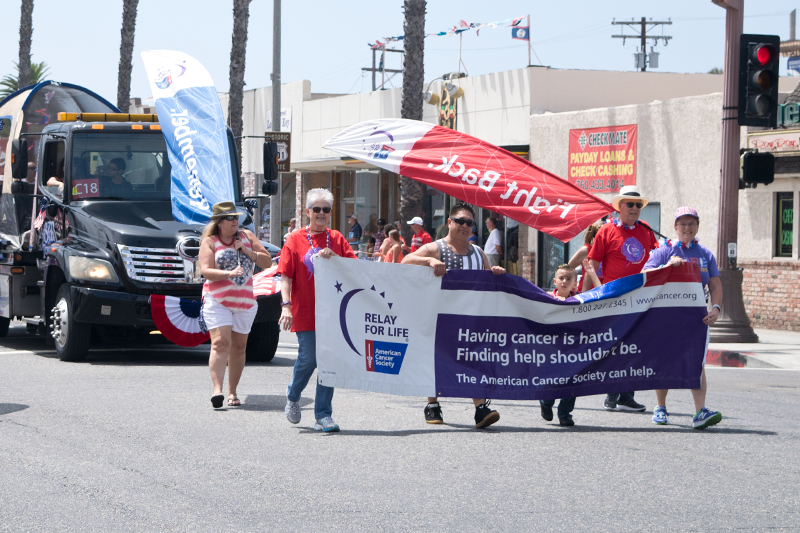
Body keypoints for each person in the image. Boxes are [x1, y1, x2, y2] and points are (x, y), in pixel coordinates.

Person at [402, 203, 505, 429]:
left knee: (473, 359)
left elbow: (487, 277)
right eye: (460, 221)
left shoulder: (478, 252)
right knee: (435, 358)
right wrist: (429, 261)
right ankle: (432, 404)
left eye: (469, 222)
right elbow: (405, 261)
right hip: (438, 316)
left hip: (470, 318)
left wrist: (495, 273)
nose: (464, 226)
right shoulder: (436, 248)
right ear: (449, 222)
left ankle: (480, 409)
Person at [280, 188, 357, 432]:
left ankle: (323, 414)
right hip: (304, 311)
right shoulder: (294, 239)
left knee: (328, 363)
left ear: (330, 213)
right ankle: (293, 395)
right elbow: (285, 277)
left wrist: (336, 257)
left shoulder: (337, 238)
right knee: (309, 359)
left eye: (326, 210)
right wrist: (286, 306)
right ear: (308, 212)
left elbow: (354, 270)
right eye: (317, 209)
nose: (321, 214)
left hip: (333, 313)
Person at [643, 206, 723, 430]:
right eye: (683, 224)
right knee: (663, 359)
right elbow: (643, 275)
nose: (687, 228)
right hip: (665, 316)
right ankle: (660, 407)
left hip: (696, 319)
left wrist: (715, 308)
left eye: (691, 223)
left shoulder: (706, 254)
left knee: (697, 362)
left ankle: (700, 412)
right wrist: (666, 266)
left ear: (697, 226)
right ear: (675, 227)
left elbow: (715, 285)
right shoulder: (664, 250)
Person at [588, 185, 658, 413]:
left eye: (638, 205)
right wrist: (588, 297)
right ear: (620, 207)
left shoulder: (646, 232)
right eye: (630, 204)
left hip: (640, 298)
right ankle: (611, 391)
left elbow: (658, 260)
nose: (635, 208)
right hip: (614, 297)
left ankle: (627, 395)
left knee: (635, 347)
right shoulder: (606, 231)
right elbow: (593, 265)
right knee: (615, 346)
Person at [198, 201, 273, 408]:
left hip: (244, 300)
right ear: (219, 222)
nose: (235, 221)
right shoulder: (210, 242)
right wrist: (228, 274)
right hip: (218, 299)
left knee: (239, 347)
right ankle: (217, 391)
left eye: (236, 217)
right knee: (220, 343)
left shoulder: (247, 236)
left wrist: (249, 252)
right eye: (230, 218)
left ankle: (233, 392)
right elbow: (205, 271)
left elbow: (268, 262)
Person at [540, 263, 579, 426]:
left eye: (569, 279)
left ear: (575, 283)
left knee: (573, 381)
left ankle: (565, 413)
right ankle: (546, 403)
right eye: (561, 278)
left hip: (573, 348)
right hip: (553, 349)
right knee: (553, 380)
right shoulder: (546, 298)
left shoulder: (580, 300)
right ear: (555, 281)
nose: (564, 281)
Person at [568, 221, 603, 293]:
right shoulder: (586, 250)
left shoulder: (609, 251)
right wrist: (570, 288)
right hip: (587, 292)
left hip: (604, 292)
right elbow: (568, 269)